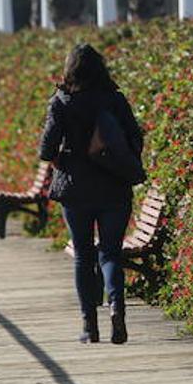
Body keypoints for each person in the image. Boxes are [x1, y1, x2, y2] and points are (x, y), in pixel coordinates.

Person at [39, 44, 144, 344]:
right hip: (114, 187)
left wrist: (63, 158)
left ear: (70, 69)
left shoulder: (62, 101)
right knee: (110, 253)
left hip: (76, 189)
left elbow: (47, 150)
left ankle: (89, 326)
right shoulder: (115, 99)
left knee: (83, 256)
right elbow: (135, 138)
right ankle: (117, 310)